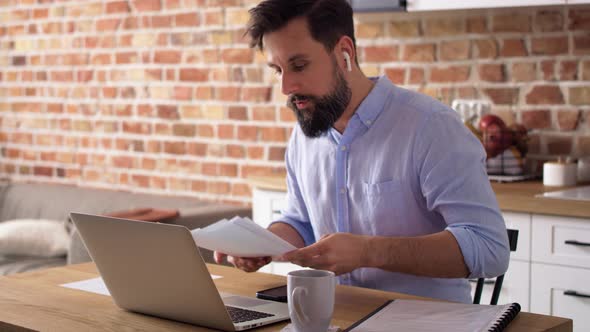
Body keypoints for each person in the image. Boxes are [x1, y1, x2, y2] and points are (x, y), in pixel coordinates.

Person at [214, 0, 509, 303]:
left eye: (299, 66)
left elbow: (488, 248)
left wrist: (369, 251)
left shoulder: (431, 127)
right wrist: (264, 243)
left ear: (345, 53)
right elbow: (300, 220)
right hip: (338, 317)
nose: (286, 87)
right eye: (277, 70)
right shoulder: (305, 134)